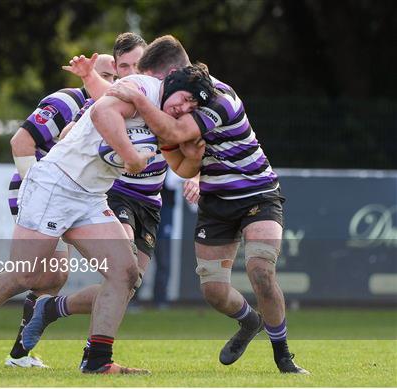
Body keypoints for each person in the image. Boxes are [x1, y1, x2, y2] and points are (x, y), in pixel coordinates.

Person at [0, 35, 215, 375]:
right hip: (55, 185)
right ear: (171, 75)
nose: (185, 109)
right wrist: (130, 157)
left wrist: (196, 163)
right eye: (185, 99)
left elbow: (178, 157)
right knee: (28, 276)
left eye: (191, 108)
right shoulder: (142, 86)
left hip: (89, 197)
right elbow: (102, 115)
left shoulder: (160, 111)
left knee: (124, 273)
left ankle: (97, 361)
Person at [105, 35, 309, 375]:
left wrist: (139, 104)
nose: (150, 91)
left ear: (171, 73)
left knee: (260, 270)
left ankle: (283, 356)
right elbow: (181, 161)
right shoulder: (178, 98)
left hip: (258, 193)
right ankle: (249, 323)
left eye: (153, 83)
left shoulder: (217, 99)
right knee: (214, 292)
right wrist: (192, 171)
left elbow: (172, 131)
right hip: (216, 202)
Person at [0, 54, 117, 369]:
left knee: (53, 277)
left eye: (118, 77)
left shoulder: (117, 109)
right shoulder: (67, 101)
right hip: (40, 191)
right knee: (33, 274)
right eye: (106, 74)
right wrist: (39, 190)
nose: (113, 83)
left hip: (68, 198)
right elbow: (20, 142)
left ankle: (16, 350)